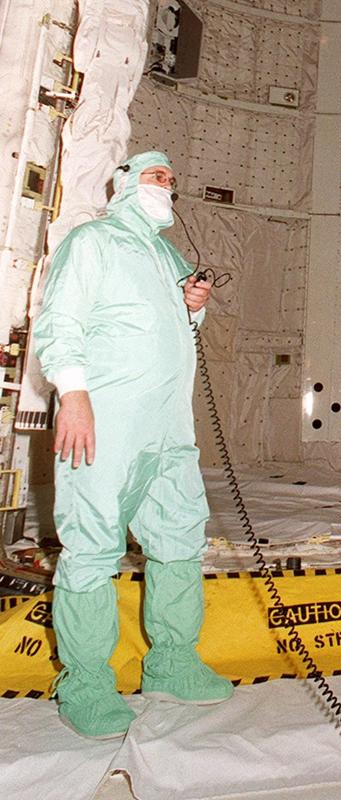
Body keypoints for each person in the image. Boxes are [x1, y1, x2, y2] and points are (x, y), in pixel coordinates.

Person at [33, 150, 233, 739]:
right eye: (154, 176)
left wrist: (193, 309)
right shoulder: (93, 241)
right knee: (92, 546)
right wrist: (73, 394)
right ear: (124, 184)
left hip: (169, 430)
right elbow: (60, 321)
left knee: (178, 537)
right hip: (105, 422)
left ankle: (172, 661)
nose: (166, 186)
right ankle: (87, 682)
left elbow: (166, 330)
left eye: (171, 179)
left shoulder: (168, 254)